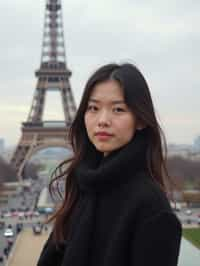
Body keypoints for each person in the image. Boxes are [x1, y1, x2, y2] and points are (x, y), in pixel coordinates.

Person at [37, 63, 182, 266]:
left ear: (140, 120)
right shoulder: (83, 186)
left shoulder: (152, 208)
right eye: (93, 108)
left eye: (118, 109)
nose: (103, 120)